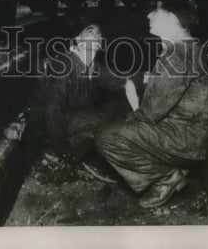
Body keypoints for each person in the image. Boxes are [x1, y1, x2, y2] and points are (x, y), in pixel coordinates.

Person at [96, 0, 208, 208]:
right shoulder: (186, 48)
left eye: (156, 11)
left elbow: (151, 112)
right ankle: (170, 171)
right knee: (121, 120)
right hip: (189, 130)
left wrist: (131, 115)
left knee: (107, 136)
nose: (149, 15)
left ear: (172, 18)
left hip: (184, 137)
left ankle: (166, 178)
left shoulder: (176, 55)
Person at [32, 22, 138, 182]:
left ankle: (92, 152)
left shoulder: (93, 67)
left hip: (77, 119)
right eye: (90, 31)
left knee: (120, 108)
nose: (96, 35)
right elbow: (52, 113)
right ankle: (63, 155)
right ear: (78, 40)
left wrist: (138, 114)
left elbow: (126, 83)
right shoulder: (63, 67)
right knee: (102, 120)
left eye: (99, 34)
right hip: (55, 129)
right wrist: (64, 151)